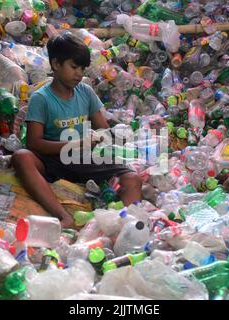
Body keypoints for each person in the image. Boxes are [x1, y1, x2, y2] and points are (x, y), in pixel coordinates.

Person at [12, 32, 142, 228]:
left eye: (82, 68)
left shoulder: (85, 92)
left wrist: (104, 137)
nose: (79, 73)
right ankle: (63, 216)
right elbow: (34, 143)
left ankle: (120, 228)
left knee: (133, 178)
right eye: (74, 67)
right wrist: (74, 144)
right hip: (52, 161)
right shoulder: (41, 98)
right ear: (56, 64)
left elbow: (103, 128)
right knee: (22, 157)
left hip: (83, 158)